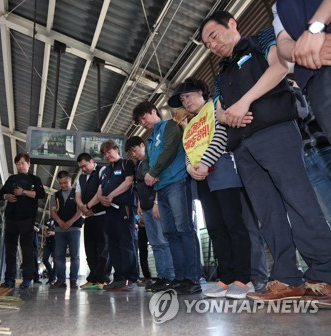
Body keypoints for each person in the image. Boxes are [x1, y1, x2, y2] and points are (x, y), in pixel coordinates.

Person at [200, 10, 331, 304]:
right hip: (242, 147)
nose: (212, 44)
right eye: (207, 44)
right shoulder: (221, 72)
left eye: (214, 35)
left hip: (275, 130)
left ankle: (325, 272)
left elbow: (280, 67)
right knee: (267, 213)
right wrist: (226, 114)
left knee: (299, 201)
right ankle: (286, 277)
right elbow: (219, 109)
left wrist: (244, 102)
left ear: (231, 24)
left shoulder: (260, 39)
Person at [167, 77, 252, 299]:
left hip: (222, 171)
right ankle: (226, 278)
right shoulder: (189, 125)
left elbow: (221, 136)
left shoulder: (215, 108)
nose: (185, 102)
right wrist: (190, 169)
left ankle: (243, 279)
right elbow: (188, 151)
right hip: (202, 179)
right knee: (215, 227)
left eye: (188, 96)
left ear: (201, 92)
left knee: (233, 224)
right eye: (182, 99)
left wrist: (205, 163)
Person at [132, 102, 202, 295]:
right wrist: (148, 174)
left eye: (144, 118)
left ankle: (193, 277)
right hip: (160, 189)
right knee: (170, 232)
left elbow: (170, 150)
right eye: (139, 121)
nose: (142, 123)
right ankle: (179, 278)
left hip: (177, 182)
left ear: (154, 112)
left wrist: (152, 172)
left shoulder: (169, 126)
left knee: (184, 229)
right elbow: (145, 162)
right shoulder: (149, 139)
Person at [273, 0, 331, 141]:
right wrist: (304, 51)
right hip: (317, 83)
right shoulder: (278, 8)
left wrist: (315, 29)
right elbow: (283, 43)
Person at [125, 136, 174, 292]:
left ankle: (170, 277)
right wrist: (140, 204)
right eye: (130, 152)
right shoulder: (139, 164)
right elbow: (140, 186)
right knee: (155, 244)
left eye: (134, 149)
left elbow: (159, 181)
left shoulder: (153, 159)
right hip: (145, 208)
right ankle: (161, 276)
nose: (133, 154)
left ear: (142, 145)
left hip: (156, 205)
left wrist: (157, 203)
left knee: (163, 241)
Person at [0, 153, 46, 289]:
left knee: (27, 249)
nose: (20, 166)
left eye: (23, 163)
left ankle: (27, 278)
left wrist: (23, 193)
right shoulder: (11, 178)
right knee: (10, 249)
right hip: (11, 218)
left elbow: (41, 195)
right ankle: (9, 279)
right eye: (18, 163)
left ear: (29, 164)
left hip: (27, 218)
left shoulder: (34, 179)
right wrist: (6, 196)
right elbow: (0, 194)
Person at [97, 140, 138, 292]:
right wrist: (102, 198)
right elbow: (100, 188)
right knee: (112, 244)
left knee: (126, 243)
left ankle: (130, 278)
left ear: (116, 149)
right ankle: (119, 277)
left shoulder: (126, 163)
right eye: (105, 154)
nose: (107, 155)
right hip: (109, 211)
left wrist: (111, 196)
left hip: (124, 208)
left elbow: (128, 182)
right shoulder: (106, 170)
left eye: (109, 152)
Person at [75, 153, 111, 290]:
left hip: (102, 215)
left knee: (103, 248)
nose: (83, 169)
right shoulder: (81, 178)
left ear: (92, 161)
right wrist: (83, 208)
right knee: (90, 250)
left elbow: (100, 191)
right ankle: (93, 278)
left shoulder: (102, 170)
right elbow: (77, 195)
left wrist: (88, 206)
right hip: (88, 217)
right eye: (80, 167)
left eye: (85, 165)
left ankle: (104, 278)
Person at [50, 170, 82, 289]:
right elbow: (52, 211)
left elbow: (80, 210)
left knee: (75, 256)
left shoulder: (77, 193)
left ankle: (73, 280)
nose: (63, 185)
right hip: (59, 230)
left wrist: (69, 222)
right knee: (58, 256)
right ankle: (60, 280)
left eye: (65, 182)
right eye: (61, 183)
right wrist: (60, 222)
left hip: (74, 228)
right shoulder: (55, 195)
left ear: (70, 180)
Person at [42, 219, 56, 285]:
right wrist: (45, 234)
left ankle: (52, 278)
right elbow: (44, 230)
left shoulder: (60, 219)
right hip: (48, 242)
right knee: (44, 259)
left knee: (55, 260)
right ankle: (52, 275)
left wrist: (53, 233)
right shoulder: (48, 221)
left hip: (56, 242)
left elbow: (63, 230)